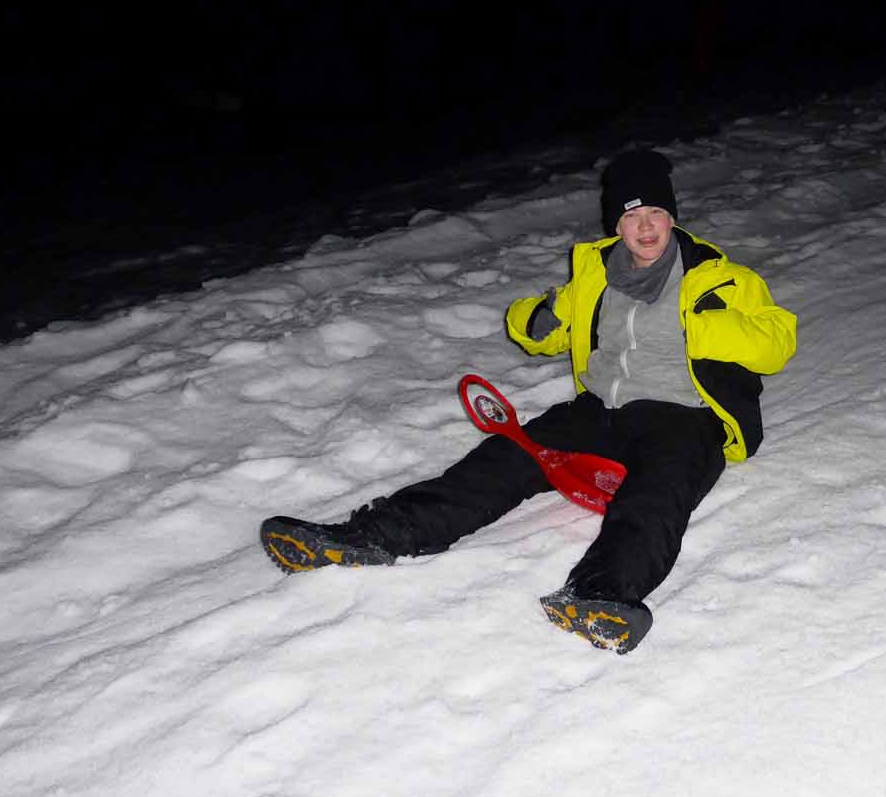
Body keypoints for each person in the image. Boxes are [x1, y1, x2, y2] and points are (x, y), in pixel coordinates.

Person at [259, 149, 798, 653]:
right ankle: (372, 535)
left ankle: (602, 593)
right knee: (506, 456)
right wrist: (536, 321)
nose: (647, 227)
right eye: (633, 216)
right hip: (601, 409)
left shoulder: (719, 278)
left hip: (684, 416)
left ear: (672, 216)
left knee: (654, 496)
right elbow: (542, 327)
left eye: (656, 212)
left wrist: (706, 329)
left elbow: (777, 341)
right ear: (616, 225)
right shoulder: (596, 274)